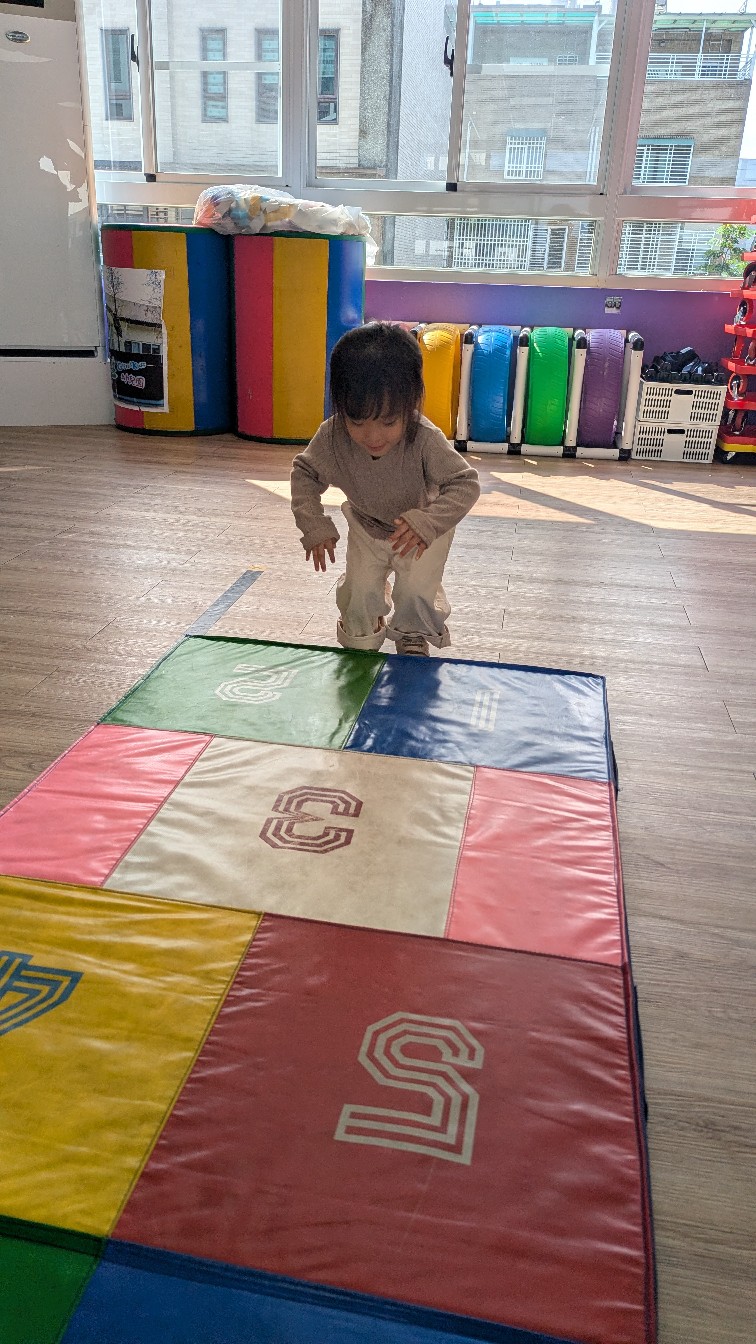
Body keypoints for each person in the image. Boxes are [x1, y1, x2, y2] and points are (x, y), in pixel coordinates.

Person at [290, 322, 480, 656]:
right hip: (367, 526)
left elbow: (465, 483)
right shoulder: (332, 436)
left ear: (411, 403)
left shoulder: (425, 438)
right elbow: (305, 473)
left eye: (389, 422)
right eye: (357, 421)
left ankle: (412, 633)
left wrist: (429, 521)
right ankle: (362, 633)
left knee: (416, 592)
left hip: (421, 531)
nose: (373, 436)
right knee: (360, 594)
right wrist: (314, 524)